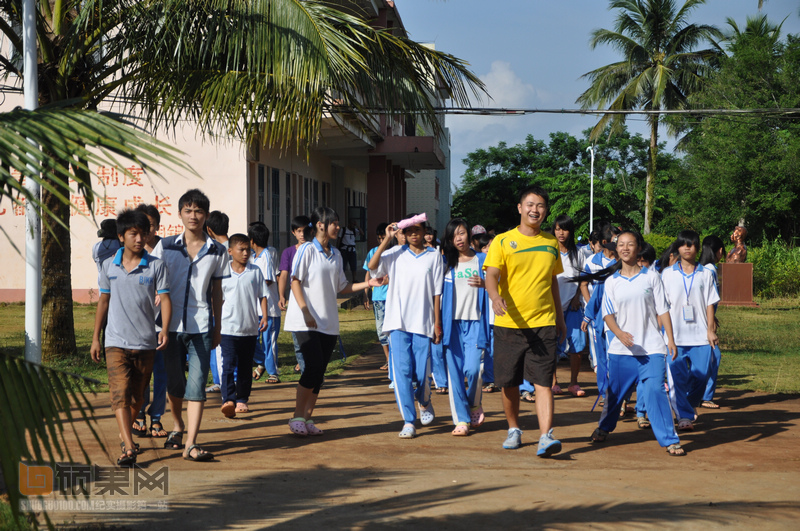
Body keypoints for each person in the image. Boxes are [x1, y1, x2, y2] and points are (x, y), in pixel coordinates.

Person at [586, 230, 685, 456]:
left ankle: (669, 439)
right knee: (615, 395)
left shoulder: (651, 277)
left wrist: (670, 339)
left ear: (638, 248)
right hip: (621, 350)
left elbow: (663, 310)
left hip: (651, 348)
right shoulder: (611, 282)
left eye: (630, 244)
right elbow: (607, 315)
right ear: (616, 249)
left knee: (654, 391)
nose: (625, 248)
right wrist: (619, 334)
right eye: (621, 244)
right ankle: (604, 427)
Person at [483, 185, 566, 456]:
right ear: (520, 208)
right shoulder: (503, 241)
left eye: (540, 206)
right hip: (509, 325)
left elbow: (552, 281)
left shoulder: (551, 243)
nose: (535, 210)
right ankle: (514, 429)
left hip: (543, 323)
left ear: (545, 211)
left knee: (543, 381)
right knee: (509, 382)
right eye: (530, 204)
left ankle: (545, 436)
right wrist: (495, 297)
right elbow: (492, 274)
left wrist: (560, 319)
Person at [284, 207, 379, 436]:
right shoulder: (306, 250)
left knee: (320, 372)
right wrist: (305, 311)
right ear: (320, 225)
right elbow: (295, 281)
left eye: (338, 222)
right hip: (305, 321)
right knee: (312, 366)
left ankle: (307, 419)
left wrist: (369, 284)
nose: (338, 226)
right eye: (334, 223)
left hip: (327, 322)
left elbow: (342, 287)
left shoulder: (335, 254)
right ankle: (296, 415)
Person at [151, 188, 228, 462]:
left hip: (202, 326)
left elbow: (217, 292)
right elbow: (155, 284)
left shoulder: (218, 250)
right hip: (169, 327)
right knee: (175, 384)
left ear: (206, 215)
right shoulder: (166, 246)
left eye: (198, 211)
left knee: (196, 386)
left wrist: (217, 327)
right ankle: (177, 427)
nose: (192, 215)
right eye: (188, 210)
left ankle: (191, 443)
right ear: (180, 213)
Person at [90, 209, 172, 467]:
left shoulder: (156, 265)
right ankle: (128, 446)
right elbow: (103, 302)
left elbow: (166, 299)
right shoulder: (108, 265)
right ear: (121, 236)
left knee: (137, 399)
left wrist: (165, 329)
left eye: (143, 233)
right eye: (133, 234)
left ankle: (125, 430)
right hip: (115, 342)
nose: (139, 239)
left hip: (146, 342)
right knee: (120, 393)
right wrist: (95, 338)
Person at [368, 214, 444, 439]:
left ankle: (425, 400)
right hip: (397, 323)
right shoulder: (393, 253)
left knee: (421, 373)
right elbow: (373, 267)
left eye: (417, 229)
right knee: (401, 373)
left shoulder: (433, 256)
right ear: (402, 233)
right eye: (408, 230)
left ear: (424, 231)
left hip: (422, 323)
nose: (413, 234)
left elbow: (437, 292)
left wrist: (437, 322)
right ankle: (409, 421)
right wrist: (386, 240)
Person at [662, 230, 720, 431]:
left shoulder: (706, 273)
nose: (687, 248)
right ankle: (684, 416)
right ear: (677, 248)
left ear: (697, 248)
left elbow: (710, 303)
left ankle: (685, 403)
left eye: (691, 244)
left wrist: (710, 330)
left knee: (702, 375)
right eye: (683, 244)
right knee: (677, 376)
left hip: (700, 335)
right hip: (674, 336)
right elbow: (661, 306)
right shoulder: (667, 274)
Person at [440, 218, 491, 436]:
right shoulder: (446, 263)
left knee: (473, 369)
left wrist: (485, 283)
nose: (458, 239)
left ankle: (474, 403)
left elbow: (500, 284)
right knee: (455, 373)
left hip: (475, 322)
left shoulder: (483, 259)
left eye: (461, 233)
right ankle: (461, 419)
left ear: (469, 235)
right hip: (452, 324)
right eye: (453, 236)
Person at [219, 233, 268, 418]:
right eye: (242, 249)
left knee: (246, 365)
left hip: (249, 328)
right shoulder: (223, 273)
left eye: (248, 249)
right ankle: (228, 399)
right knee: (228, 365)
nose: (246, 253)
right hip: (228, 329)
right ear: (230, 251)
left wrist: (263, 316)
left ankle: (242, 400)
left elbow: (262, 294)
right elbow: (218, 299)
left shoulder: (255, 271)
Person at [133, 203, 169, 438]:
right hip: (138, 324)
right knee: (140, 372)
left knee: (161, 372)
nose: (146, 232)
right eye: (142, 227)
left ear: (157, 227)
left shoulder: (168, 250)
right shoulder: (130, 254)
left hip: (163, 323)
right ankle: (138, 413)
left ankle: (157, 417)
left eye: (151, 226)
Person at [552, 214, 587, 397]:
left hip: (573, 306)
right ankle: (554, 382)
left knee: (577, 344)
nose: (561, 233)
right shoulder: (550, 251)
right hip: (552, 307)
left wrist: (577, 297)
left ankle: (574, 383)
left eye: (564, 229)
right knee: (552, 344)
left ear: (570, 231)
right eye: (557, 229)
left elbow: (583, 278)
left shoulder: (579, 253)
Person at [249, 222, 281, 384]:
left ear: (252, 240)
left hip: (269, 309)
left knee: (269, 341)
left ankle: (273, 372)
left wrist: (249, 288)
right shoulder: (253, 256)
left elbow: (268, 280)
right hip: (255, 309)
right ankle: (262, 363)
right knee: (251, 339)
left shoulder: (268, 255)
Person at [279, 215, 312, 374]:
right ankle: (307, 375)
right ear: (293, 232)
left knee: (313, 340)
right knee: (298, 343)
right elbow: (284, 275)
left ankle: (313, 374)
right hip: (295, 302)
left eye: (305, 231)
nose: (302, 234)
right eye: (299, 231)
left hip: (313, 301)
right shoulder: (288, 252)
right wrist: (281, 295)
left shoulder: (315, 250)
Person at [205, 210, 230, 394]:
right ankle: (221, 380)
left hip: (222, 304)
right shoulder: (238, 248)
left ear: (209, 229)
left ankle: (222, 380)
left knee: (220, 345)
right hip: (228, 303)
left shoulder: (214, 251)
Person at [699, 235, 725, 409]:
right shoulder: (710, 270)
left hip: (701, 320)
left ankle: (701, 395)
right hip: (703, 323)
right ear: (720, 251)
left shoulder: (701, 268)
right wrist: (711, 322)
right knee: (713, 357)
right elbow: (709, 300)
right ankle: (705, 396)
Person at [363, 223, 392, 373]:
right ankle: (388, 358)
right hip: (378, 296)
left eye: (384, 238)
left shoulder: (394, 252)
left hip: (392, 296)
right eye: (380, 238)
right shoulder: (373, 252)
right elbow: (368, 272)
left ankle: (393, 359)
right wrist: (365, 292)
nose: (382, 241)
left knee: (392, 329)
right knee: (381, 329)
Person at [475, 232, 498, 394]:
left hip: (499, 315)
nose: (489, 249)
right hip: (483, 315)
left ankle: (498, 379)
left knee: (497, 350)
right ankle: (488, 379)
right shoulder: (477, 261)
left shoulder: (502, 261)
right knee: (486, 350)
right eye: (486, 246)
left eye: (491, 245)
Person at [338, 218, 362, 283]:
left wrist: (357, 225)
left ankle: (354, 279)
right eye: (352, 224)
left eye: (354, 224)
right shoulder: (343, 230)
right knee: (343, 266)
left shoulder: (354, 230)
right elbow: (339, 239)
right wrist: (338, 249)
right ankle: (341, 279)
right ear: (349, 224)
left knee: (353, 265)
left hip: (352, 250)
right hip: (344, 250)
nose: (353, 226)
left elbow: (362, 233)